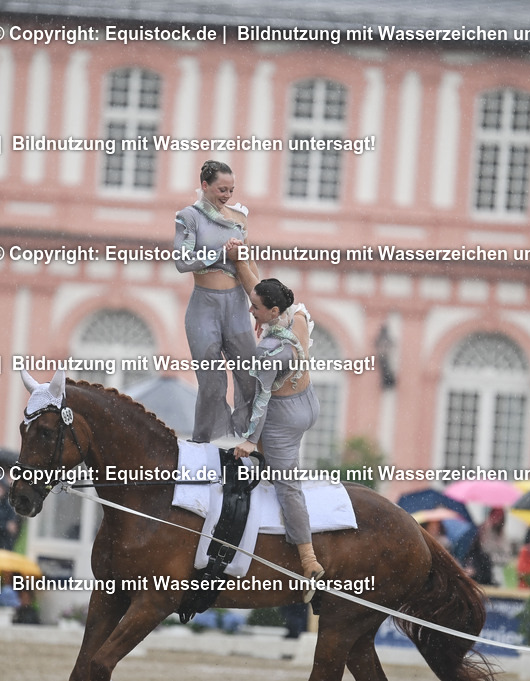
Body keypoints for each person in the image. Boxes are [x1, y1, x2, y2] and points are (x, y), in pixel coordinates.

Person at [229, 265, 323, 601]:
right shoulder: (295, 317)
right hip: (308, 402)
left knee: (287, 485)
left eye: (255, 308)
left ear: (272, 311)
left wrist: (250, 440)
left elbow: (262, 401)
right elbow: (259, 288)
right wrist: (241, 260)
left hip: (284, 418)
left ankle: (309, 560)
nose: (250, 310)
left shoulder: (269, 350)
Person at [174, 160, 259, 443]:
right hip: (204, 309)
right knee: (212, 384)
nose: (227, 195)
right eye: (222, 189)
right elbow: (182, 261)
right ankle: (201, 444)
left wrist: (260, 305)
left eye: (231, 190)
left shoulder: (239, 218)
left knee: (250, 379)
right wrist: (222, 253)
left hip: (236, 307)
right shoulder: (189, 217)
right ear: (205, 185)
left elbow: (248, 263)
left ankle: (251, 442)